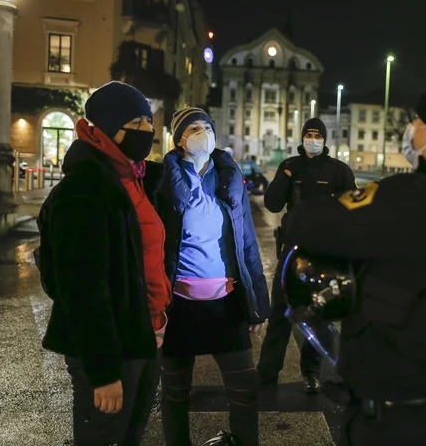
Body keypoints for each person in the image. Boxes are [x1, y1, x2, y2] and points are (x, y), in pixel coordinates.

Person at [282, 78, 426, 445]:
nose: (413, 128)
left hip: (395, 419)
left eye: (419, 119)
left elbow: (307, 224)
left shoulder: (418, 195)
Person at [37, 81, 170, 445]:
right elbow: (82, 288)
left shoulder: (132, 177)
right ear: (110, 128)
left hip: (142, 337)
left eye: (148, 119)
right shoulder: (86, 188)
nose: (148, 129)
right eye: (137, 121)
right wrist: (103, 372)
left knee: (129, 436)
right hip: (111, 350)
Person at [149, 107, 270, 446]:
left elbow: (246, 240)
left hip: (226, 302)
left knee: (246, 392)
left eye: (207, 126)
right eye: (194, 128)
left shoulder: (229, 176)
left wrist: (257, 303)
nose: (202, 132)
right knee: (174, 397)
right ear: (180, 139)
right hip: (179, 305)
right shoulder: (161, 180)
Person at [257, 117, 356, 393]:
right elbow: (273, 203)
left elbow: (353, 210)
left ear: (325, 140)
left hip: (324, 253)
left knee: (318, 312)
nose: (312, 139)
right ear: (302, 137)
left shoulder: (338, 171)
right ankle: (267, 373)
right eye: (308, 134)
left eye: (317, 135)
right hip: (292, 251)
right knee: (281, 310)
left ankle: (311, 373)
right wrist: (285, 177)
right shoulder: (290, 166)